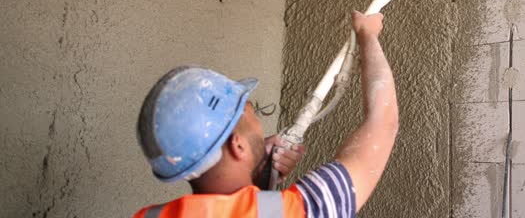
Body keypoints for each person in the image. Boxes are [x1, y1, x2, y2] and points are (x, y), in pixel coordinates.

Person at [133, 11, 398, 218]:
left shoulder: (148, 215)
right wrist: (367, 35)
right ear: (237, 145)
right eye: (252, 111)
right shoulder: (299, 211)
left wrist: (256, 173)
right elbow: (383, 124)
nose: (260, 124)